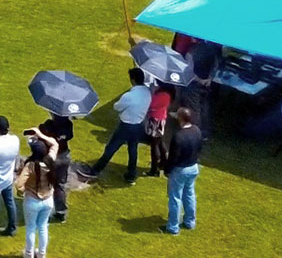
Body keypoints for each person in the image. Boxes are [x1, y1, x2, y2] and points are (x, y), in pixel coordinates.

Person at [84, 67, 151, 184]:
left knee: (111, 148)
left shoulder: (129, 96)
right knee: (133, 150)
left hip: (125, 126)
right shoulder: (148, 93)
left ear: (133, 80)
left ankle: (95, 171)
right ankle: (131, 175)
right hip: (138, 126)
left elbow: (117, 107)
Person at [14, 128, 60, 258]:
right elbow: (55, 144)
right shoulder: (50, 159)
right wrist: (41, 135)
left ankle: (29, 255)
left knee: (31, 228)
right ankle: (41, 255)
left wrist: (23, 192)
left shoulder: (30, 166)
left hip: (32, 201)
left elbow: (18, 184)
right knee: (43, 227)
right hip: (48, 200)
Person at [161, 107, 202, 235]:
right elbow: (200, 148)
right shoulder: (197, 130)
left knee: (175, 198)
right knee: (189, 194)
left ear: (180, 119)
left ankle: (173, 227)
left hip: (180, 170)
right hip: (193, 167)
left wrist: (167, 170)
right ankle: (190, 222)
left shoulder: (178, 136)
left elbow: (173, 157)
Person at [37, 111, 73, 224]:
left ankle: (42, 211)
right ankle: (61, 212)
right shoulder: (68, 124)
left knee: (45, 183)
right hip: (65, 157)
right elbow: (70, 136)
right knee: (60, 186)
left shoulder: (48, 125)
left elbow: (40, 133)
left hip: (52, 158)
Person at [145, 82, 173, 176]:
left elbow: (152, 105)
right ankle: (164, 163)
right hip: (161, 119)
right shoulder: (169, 94)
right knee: (160, 142)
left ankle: (154, 169)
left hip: (155, 120)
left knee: (154, 145)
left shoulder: (162, 95)